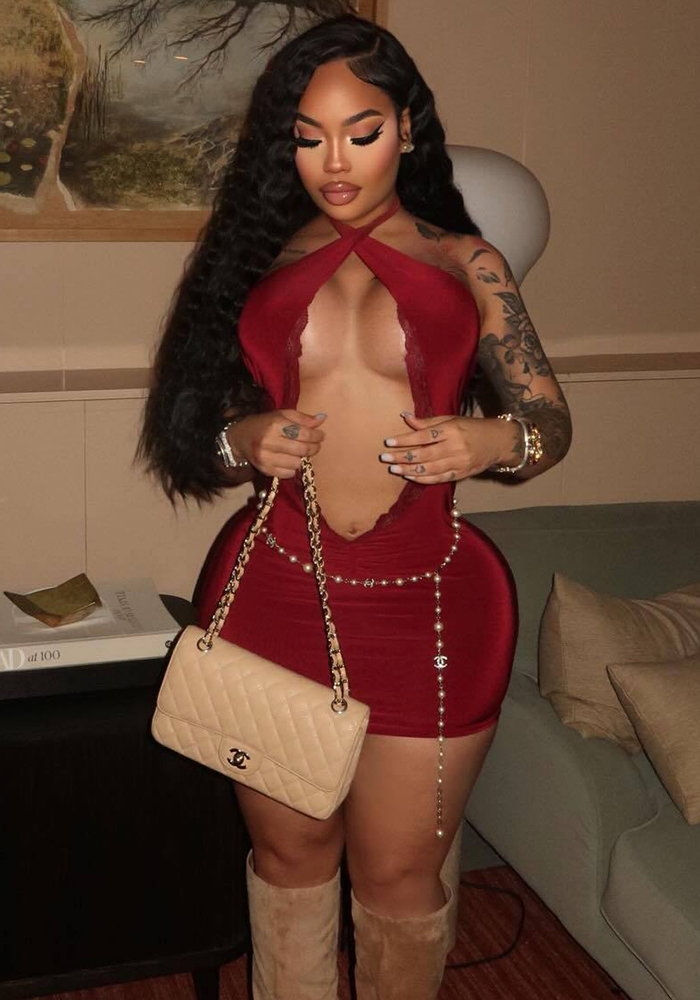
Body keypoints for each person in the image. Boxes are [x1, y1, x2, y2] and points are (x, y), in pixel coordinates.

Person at [136, 12, 572, 1000]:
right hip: (276, 591)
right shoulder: (252, 258)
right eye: (308, 136)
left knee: (399, 876)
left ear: (407, 128)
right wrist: (242, 439)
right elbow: (197, 428)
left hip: (431, 605)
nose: (334, 162)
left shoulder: (472, 263)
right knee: (288, 860)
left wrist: (494, 440)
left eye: (361, 132)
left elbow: (549, 421)